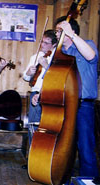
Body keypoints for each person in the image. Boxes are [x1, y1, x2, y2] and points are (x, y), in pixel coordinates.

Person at [54, 16, 99, 177]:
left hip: (83, 106)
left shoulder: (87, 45)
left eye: (59, 31)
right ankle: (63, 178)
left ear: (69, 31)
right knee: (64, 146)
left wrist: (71, 34)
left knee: (86, 146)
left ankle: (89, 180)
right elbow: (51, 79)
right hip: (64, 106)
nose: (56, 34)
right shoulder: (58, 54)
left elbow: (91, 56)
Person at [23, 29, 57, 145]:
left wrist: (46, 66)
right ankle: (32, 157)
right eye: (42, 42)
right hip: (35, 94)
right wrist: (28, 73)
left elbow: (57, 77)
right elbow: (26, 78)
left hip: (51, 95)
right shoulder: (35, 57)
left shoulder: (57, 58)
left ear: (54, 45)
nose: (42, 45)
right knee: (33, 126)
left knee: (48, 127)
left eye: (46, 43)